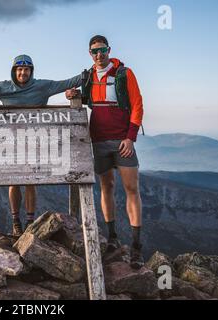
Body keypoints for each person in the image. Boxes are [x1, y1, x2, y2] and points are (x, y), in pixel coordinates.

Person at [0, 54, 81, 237]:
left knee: (30, 182)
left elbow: (68, 82)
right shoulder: (4, 87)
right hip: (11, 142)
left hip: (35, 141)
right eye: (19, 69)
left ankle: (29, 221)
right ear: (14, 71)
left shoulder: (43, 86)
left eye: (26, 69)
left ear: (31, 71)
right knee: (13, 181)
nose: (23, 73)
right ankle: (15, 221)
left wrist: (92, 72)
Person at [66, 35, 144, 269]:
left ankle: (136, 248)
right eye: (94, 51)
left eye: (102, 50)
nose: (99, 55)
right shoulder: (88, 76)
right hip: (98, 140)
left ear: (109, 50)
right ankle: (112, 238)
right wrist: (72, 95)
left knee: (132, 188)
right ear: (90, 53)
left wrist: (130, 138)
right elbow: (86, 100)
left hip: (122, 141)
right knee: (106, 187)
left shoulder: (124, 73)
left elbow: (138, 104)